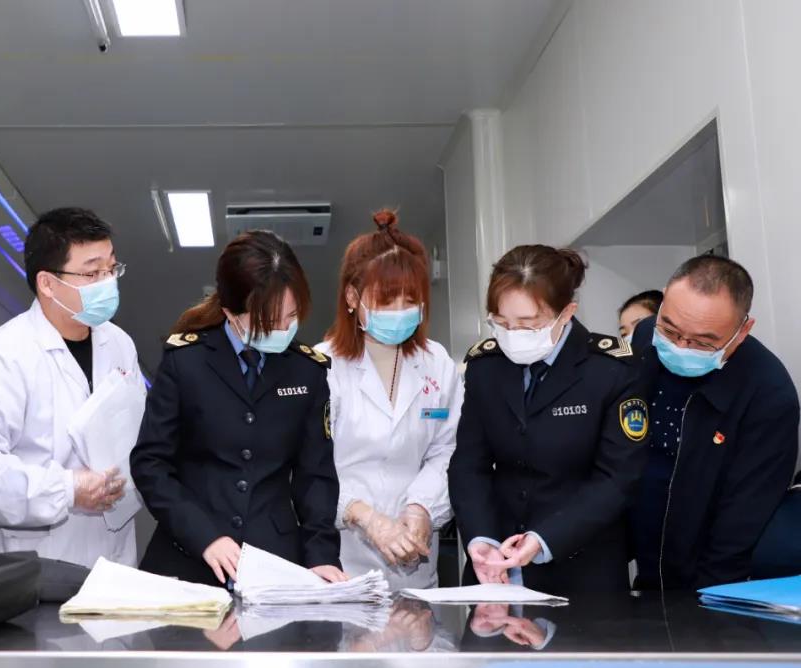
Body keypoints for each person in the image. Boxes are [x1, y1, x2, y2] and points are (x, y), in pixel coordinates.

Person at [131, 230, 346, 587]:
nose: (284, 329)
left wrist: (321, 555)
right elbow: (150, 465)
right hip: (187, 556)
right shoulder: (186, 362)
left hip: (275, 560)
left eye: (292, 316)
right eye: (270, 321)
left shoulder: (306, 370)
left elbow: (316, 476)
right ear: (231, 313)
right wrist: (204, 536)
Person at [0, 208, 143, 567]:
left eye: (112, 269)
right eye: (92, 273)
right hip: (36, 559)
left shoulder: (120, 344)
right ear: (48, 283)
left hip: (114, 554)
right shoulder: (1, 356)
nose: (108, 282)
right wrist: (67, 489)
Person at [448, 244, 649, 596]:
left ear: (566, 312)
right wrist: (480, 537)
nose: (513, 334)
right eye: (502, 323)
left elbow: (617, 478)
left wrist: (544, 540)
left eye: (528, 324)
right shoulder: (486, 368)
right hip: (495, 567)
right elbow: (469, 464)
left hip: (583, 569)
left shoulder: (611, 370)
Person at [629, 255, 799, 591]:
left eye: (702, 342)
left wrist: (710, 601)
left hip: (705, 569)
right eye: (670, 330)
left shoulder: (769, 394)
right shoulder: (646, 336)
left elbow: (743, 518)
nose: (680, 346)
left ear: (742, 330)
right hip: (641, 552)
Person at [315, 210, 463, 590]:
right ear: (353, 297)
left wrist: (422, 507)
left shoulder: (436, 362)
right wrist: (366, 517)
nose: (400, 313)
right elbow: (308, 467)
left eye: (410, 300)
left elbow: (447, 449)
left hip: (415, 558)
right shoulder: (321, 367)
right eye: (386, 300)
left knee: (417, 626)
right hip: (341, 559)